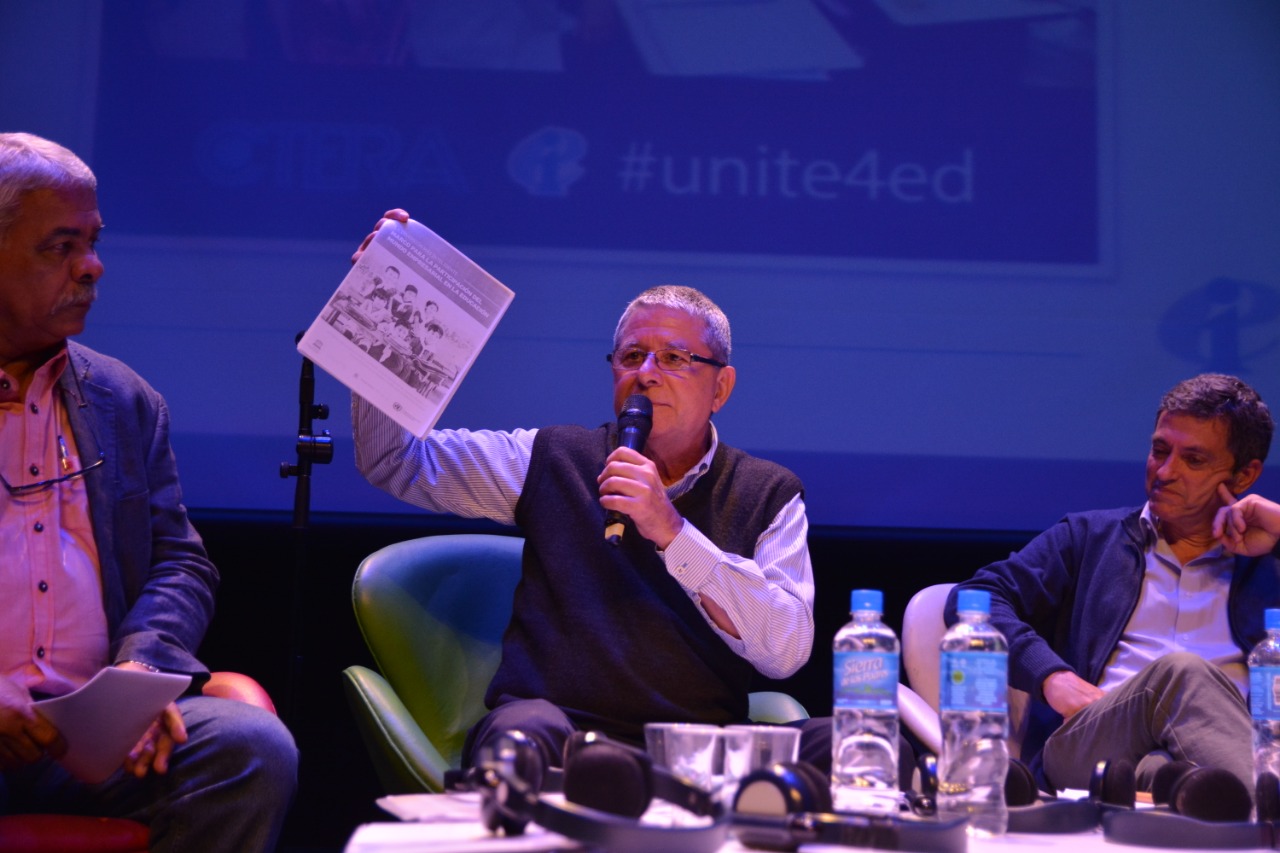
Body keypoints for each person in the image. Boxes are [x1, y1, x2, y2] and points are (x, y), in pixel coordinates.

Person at [350, 209, 834, 772]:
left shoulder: (767, 493)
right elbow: (397, 461)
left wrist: (672, 532)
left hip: (698, 752)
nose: (646, 373)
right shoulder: (553, 457)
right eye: (631, 356)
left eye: (673, 358)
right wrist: (384, 316)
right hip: (559, 739)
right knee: (520, 733)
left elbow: (785, 651)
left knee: (849, 745)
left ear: (720, 387)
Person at [0, 132, 297, 850]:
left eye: (93, 242)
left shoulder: (122, 399)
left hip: (90, 735)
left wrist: (142, 672)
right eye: (61, 246)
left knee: (247, 748)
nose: (92, 266)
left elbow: (178, 560)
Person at [947, 373, 1278, 796]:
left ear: (1244, 475)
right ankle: (1268, 804)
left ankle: (1196, 790)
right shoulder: (1090, 538)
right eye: (1160, 450)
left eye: (1193, 460)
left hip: (1191, 760)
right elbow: (975, 598)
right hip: (1089, 743)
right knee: (1180, 672)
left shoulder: (1268, 563)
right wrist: (1051, 676)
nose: (1165, 471)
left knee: (1166, 773)